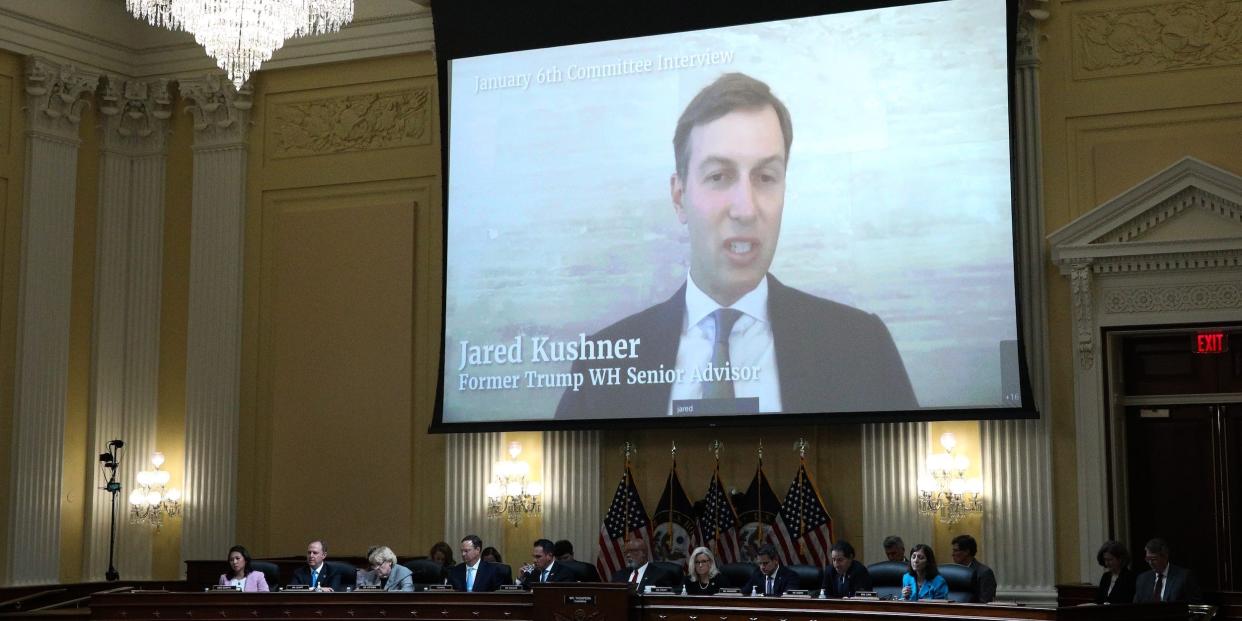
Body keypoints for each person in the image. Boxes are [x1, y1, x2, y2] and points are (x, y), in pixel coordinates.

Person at [555, 72, 916, 420]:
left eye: (765, 177)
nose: (746, 209)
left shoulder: (862, 347)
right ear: (679, 197)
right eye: (719, 176)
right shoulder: (601, 361)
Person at [1133, 538, 1203, 603]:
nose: (1150, 563)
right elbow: (1136, 607)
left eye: (1154, 559)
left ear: (1165, 556)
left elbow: (1195, 605)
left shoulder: (1184, 577)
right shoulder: (1142, 579)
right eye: (1148, 559)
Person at [611, 538, 680, 590]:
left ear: (644, 553)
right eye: (626, 552)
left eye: (632, 551)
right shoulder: (619, 576)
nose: (628, 555)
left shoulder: (660, 575)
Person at [950, 534, 996, 603]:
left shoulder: (984, 573)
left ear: (966, 552)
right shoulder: (952, 572)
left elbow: (985, 602)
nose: (952, 554)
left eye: (955, 550)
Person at [1093, 540, 1137, 605]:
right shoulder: (1106, 576)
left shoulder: (1130, 578)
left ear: (1120, 559)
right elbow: (1099, 600)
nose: (1107, 563)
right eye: (1105, 559)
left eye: (1110, 560)